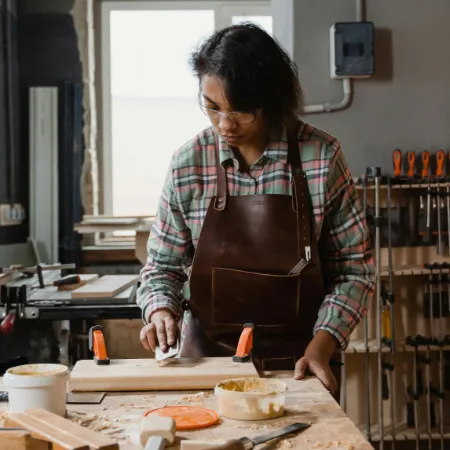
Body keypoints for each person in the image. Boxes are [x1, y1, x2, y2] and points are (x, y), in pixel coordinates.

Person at [137, 23, 375, 396]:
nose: (225, 125)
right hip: (206, 365)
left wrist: (323, 345)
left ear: (272, 100)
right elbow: (161, 267)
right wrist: (161, 311)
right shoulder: (188, 163)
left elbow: (355, 270)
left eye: (242, 111)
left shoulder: (321, 158)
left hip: (301, 364)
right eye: (212, 108)